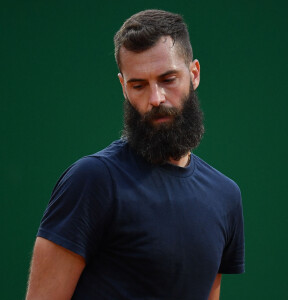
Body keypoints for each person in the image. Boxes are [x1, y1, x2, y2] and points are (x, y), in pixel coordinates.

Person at [26, 9, 245, 300]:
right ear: (123, 87)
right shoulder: (91, 180)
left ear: (194, 74)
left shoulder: (226, 196)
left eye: (168, 79)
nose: (155, 99)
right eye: (138, 85)